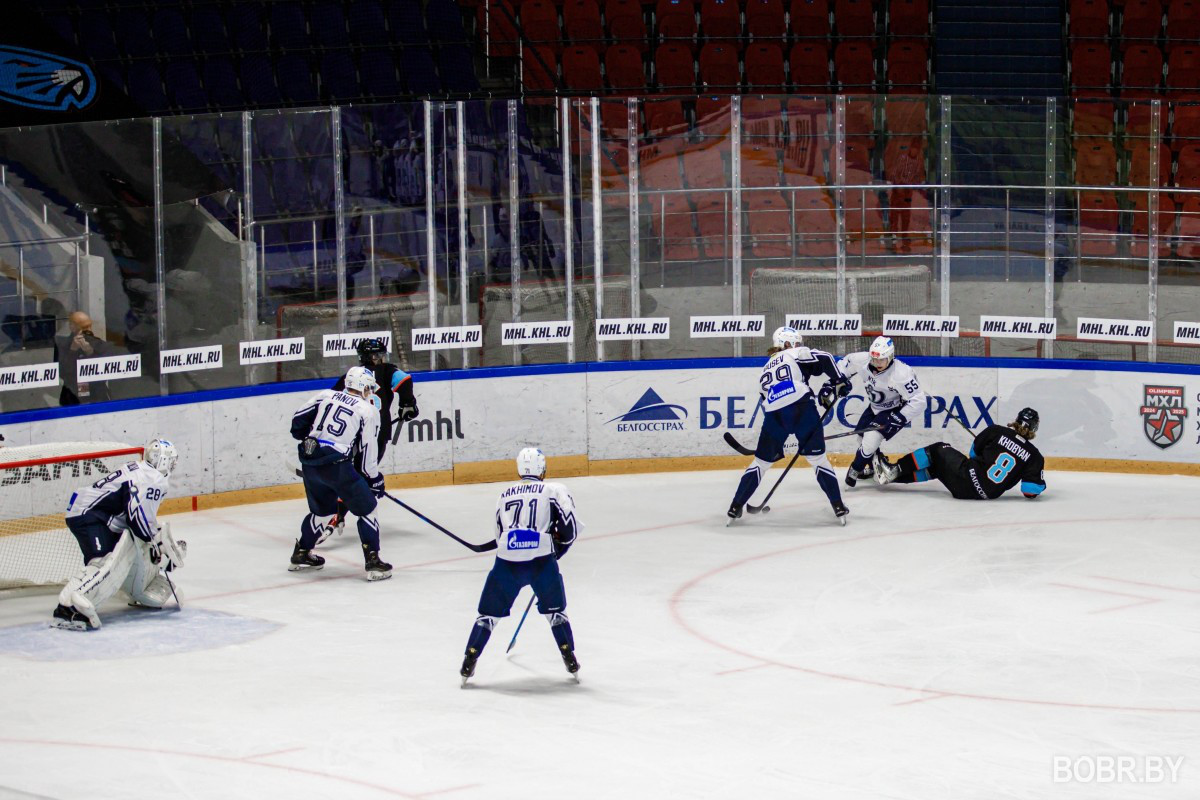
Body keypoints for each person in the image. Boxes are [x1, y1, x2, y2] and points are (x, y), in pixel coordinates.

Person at [460, 447, 581, 685]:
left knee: (487, 616)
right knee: (556, 612)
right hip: (541, 561)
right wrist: (557, 549)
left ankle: (469, 660)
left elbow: (499, 534)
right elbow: (568, 529)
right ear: (543, 468)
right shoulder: (554, 490)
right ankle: (570, 658)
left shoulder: (503, 495)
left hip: (507, 563)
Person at [52, 438, 183, 631]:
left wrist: (154, 540)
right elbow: (135, 516)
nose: (172, 466)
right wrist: (154, 544)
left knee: (117, 557)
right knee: (100, 562)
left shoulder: (142, 471)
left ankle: (136, 589)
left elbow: (142, 519)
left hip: (96, 515)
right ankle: (67, 610)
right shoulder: (153, 479)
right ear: (163, 461)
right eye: (170, 461)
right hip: (89, 515)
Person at [727, 326, 852, 525]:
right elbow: (826, 358)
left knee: (761, 463)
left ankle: (735, 507)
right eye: (796, 343)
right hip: (802, 405)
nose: (799, 346)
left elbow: (765, 400)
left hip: (775, 414)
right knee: (818, 459)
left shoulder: (765, 369)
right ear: (787, 344)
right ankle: (838, 506)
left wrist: (774, 440)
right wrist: (840, 380)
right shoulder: (794, 353)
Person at [290, 365, 392, 580]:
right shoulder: (368, 410)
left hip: (310, 461)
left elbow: (297, 424)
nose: (371, 392)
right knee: (367, 509)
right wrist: (374, 479)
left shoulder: (326, 395)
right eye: (369, 388)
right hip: (337, 466)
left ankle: (301, 553)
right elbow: (367, 452)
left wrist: (310, 440)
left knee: (322, 512)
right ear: (363, 387)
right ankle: (373, 562)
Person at [328, 337, 418, 536]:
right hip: (377, 433)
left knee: (352, 473)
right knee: (361, 475)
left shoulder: (351, 376)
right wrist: (408, 404)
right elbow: (405, 380)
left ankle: (338, 512)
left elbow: (332, 399)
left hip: (352, 434)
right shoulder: (388, 371)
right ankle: (339, 513)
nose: (380, 358)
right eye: (377, 355)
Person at [875, 407, 1047, 500]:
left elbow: (972, 453)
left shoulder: (997, 431)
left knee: (937, 450)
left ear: (1016, 421)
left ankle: (895, 469)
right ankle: (888, 476)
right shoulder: (1035, 456)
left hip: (966, 477)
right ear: (1034, 429)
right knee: (936, 468)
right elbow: (1029, 491)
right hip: (985, 495)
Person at [836, 335, 928, 487]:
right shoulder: (863, 360)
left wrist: (899, 418)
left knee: (871, 439)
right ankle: (875, 466)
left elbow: (919, 400)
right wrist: (839, 380)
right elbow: (846, 363)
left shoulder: (901, 374)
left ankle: (854, 470)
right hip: (874, 408)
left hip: (893, 409)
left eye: (881, 360)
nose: (876, 363)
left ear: (890, 357)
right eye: (874, 359)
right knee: (861, 437)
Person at [53, 311, 116, 406]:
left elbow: (107, 371)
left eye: (88, 326)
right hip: (72, 397)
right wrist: (72, 351)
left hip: (97, 396)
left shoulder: (101, 346)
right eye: (82, 326)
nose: (87, 330)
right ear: (72, 326)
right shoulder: (62, 345)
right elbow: (61, 372)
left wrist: (90, 353)